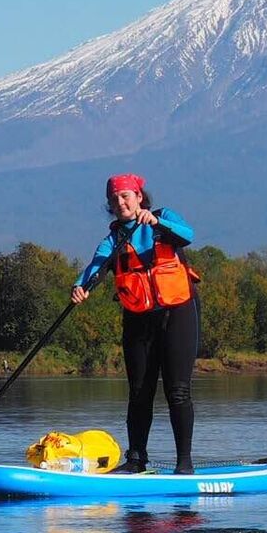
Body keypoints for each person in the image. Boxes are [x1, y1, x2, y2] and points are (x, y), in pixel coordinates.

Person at [73, 173, 201, 474]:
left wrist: (157, 224)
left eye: (125, 197)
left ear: (139, 197)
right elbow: (96, 267)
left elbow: (187, 235)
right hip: (138, 320)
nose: (120, 203)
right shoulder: (113, 239)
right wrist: (81, 287)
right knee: (139, 391)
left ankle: (184, 464)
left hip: (178, 314)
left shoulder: (163, 218)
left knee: (177, 390)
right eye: (114, 200)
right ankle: (136, 459)